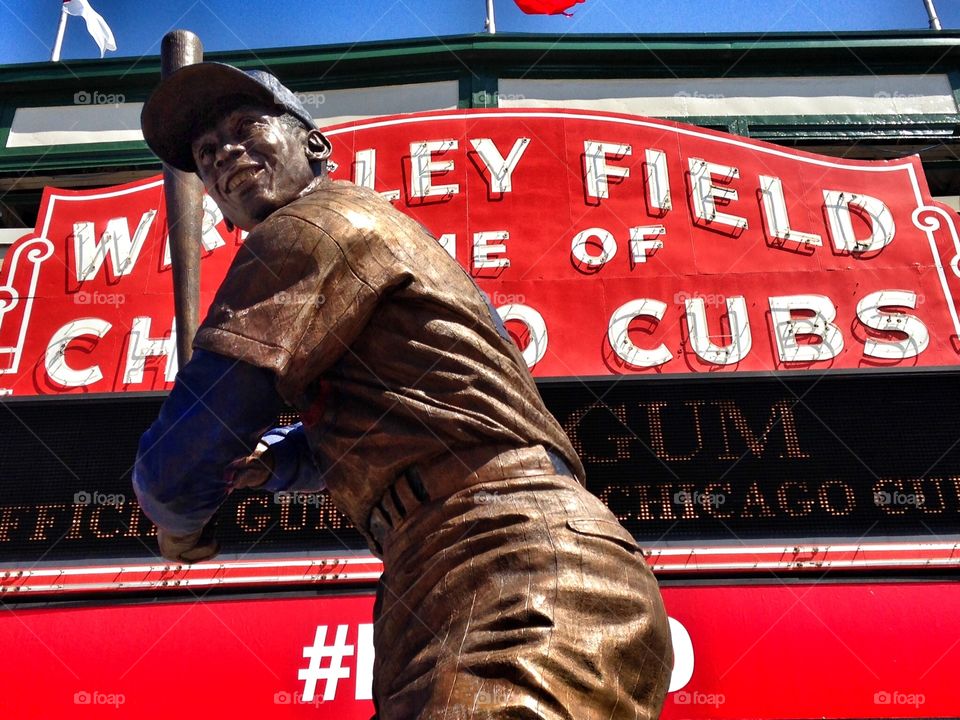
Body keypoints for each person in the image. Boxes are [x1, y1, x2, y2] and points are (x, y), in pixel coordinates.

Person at [136, 62, 673, 719]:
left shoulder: (313, 227)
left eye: (246, 126)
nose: (226, 154)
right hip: (458, 568)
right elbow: (401, 409)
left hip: (506, 557)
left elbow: (185, 451)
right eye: (207, 153)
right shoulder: (369, 235)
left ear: (314, 145)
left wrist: (177, 518)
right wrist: (274, 463)